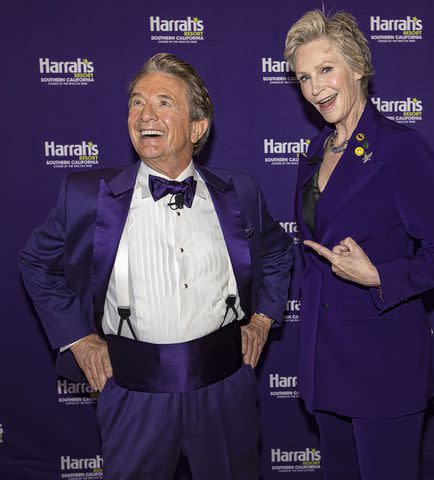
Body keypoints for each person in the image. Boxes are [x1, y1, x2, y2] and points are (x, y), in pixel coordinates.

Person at [19, 53, 293, 480]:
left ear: (197, 127)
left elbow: (278, 252)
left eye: (164, 102)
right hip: (132, 396)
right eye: (136, 101)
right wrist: (79, 339)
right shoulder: (88, 196)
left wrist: (261, 320)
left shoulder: (240, 193)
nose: (145, 113)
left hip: (227, 392)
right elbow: (36, 261)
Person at [284, 10, 434, 480]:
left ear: (357, 67)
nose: (315, 87)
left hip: (383, 364)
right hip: (326, 363)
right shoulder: (313, 154)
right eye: (304, 77)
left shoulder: (402, 149)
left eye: (325, 70)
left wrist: (379, 275)